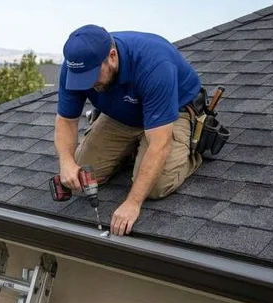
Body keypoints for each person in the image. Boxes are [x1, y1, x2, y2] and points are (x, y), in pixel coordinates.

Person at [54, 24, 203, 236]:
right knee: (85, 174)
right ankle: (136, 151)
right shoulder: (75, 67)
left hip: (171, 114)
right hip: (122, 115)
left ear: (112, 56)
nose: (89, 84)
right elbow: (66, 120)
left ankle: (188, 154)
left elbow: (160, 143)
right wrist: (66, 162)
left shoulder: (154, 64)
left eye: (92, 76)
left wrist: (132, 203)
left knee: (154, 187)